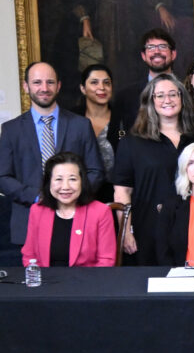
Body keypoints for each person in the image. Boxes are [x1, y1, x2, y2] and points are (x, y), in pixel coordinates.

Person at [1, 63, 104, 246]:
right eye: (37, 82)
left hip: (76, 220)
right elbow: (3, 176)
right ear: (26, 86)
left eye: (50, 82)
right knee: (33, 275)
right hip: (28, 221)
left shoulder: (80, 125)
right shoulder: (11, 130)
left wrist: (71, 196)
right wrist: (38, 196)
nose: (44, 88)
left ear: (58, 86)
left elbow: (95, 171)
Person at [111, 74, 194, 265]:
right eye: (159, 95)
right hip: (148, 232)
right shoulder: (132, 143)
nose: (167, 100)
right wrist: (126, 232)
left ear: (182, 98)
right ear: (150, 101)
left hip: (193, 230)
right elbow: (122, 192)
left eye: (173, 94)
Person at [21, 152, 115, 268]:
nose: (65, 187)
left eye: (72, 179)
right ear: (48, 182)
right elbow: (29, 255)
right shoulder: (37, 210)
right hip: (46, 281)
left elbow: (106, 260)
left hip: (86, 282)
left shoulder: (100, 212)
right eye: (58, 179)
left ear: (82, 182)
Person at [109, 30, 178, 151]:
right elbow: (115, 135)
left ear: (173, 54)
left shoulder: (187, 92)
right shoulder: (125, 96)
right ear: (143, 56)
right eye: (150, 47)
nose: (157, 51)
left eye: (162, 47)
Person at [75, 64, 117, 201]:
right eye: (94, 82)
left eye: (107, 83)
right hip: (78, 196)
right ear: (83, 88)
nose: (102, 88)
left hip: (117, 197)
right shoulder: (71, 120)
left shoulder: (124, 118)